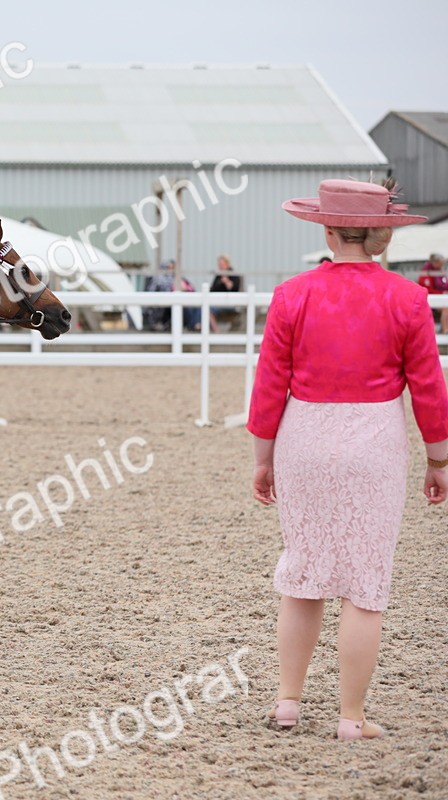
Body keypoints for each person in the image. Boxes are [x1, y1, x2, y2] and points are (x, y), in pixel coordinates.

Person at [249, 178, 448, 740]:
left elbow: (270, 384)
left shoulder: (292, 294)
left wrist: (262, 457)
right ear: (380, 233)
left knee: (304, 572)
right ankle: (350, 717)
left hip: (304, 436)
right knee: (365, 583)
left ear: (328, 229)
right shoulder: (408, 298)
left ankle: (288, 701)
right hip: (373, 438)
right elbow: (428, 386)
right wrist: (439, 459)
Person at [144, 260, 200, 331]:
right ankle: (189, 326)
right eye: (169, 267)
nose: (171, 269)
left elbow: (191, 288)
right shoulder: (158, 278)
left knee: (196, 306)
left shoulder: (179, 277)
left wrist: (185, 289)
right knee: (184, 307)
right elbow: (151, 291)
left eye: (172, 267)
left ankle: (194, 325)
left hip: (181, 297)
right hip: (164, 302)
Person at [417, 252, 448, 334]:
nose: (441, 265)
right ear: (434, 262)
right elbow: (427, 289)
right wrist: (441, 293)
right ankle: (446, 330)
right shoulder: (426, 273)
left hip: (441, 297)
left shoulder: (439, 271)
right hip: (430, 299)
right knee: (446, 308)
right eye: (440, 263)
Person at [209, 254, 242, 332]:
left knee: (208, 310)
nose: (220, 266)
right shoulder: (218, 276)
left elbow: (235, 289)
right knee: (205, 308)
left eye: (222, 264)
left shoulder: (233, 275)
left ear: (227, 264)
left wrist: (227, 282)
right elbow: (213, 289)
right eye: (219, 264)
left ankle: (216, 331)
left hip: (229, 303)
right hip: (217, 302)